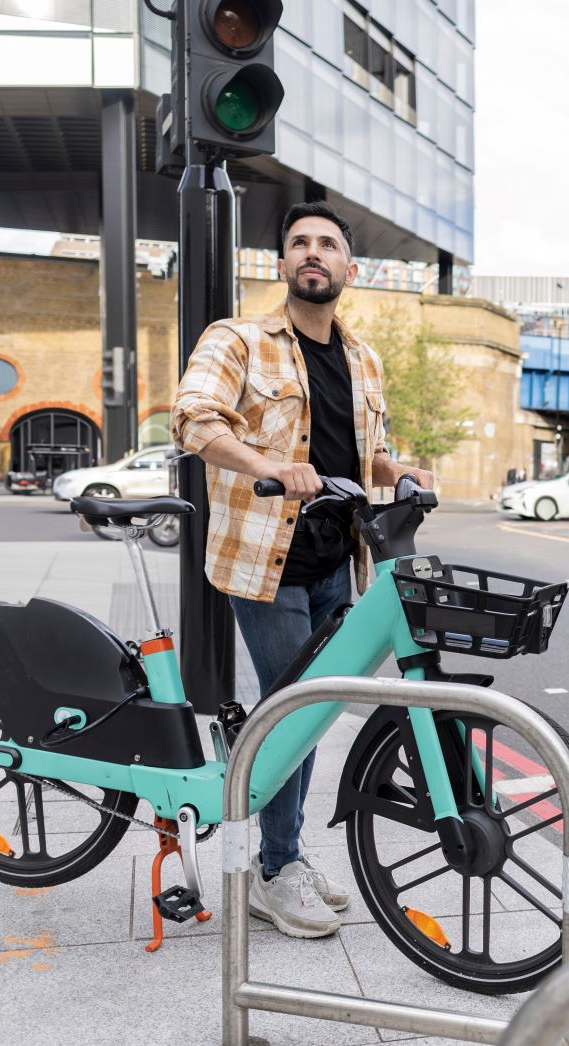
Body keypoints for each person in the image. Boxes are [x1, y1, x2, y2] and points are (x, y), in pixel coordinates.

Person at [171, 201, 434, 939]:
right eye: (299, 243)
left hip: (337, 562)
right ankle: (277, 866)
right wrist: (267, 466)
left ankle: (280, 853)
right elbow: (193, 418)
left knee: (308, 712)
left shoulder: (363, 358)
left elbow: (362, 453)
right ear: (283, 263)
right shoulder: (238, 339)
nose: (313, 253)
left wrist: (397, 470)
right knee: (295, 711)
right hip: (267, 562)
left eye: (327, 244)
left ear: (349, 266)